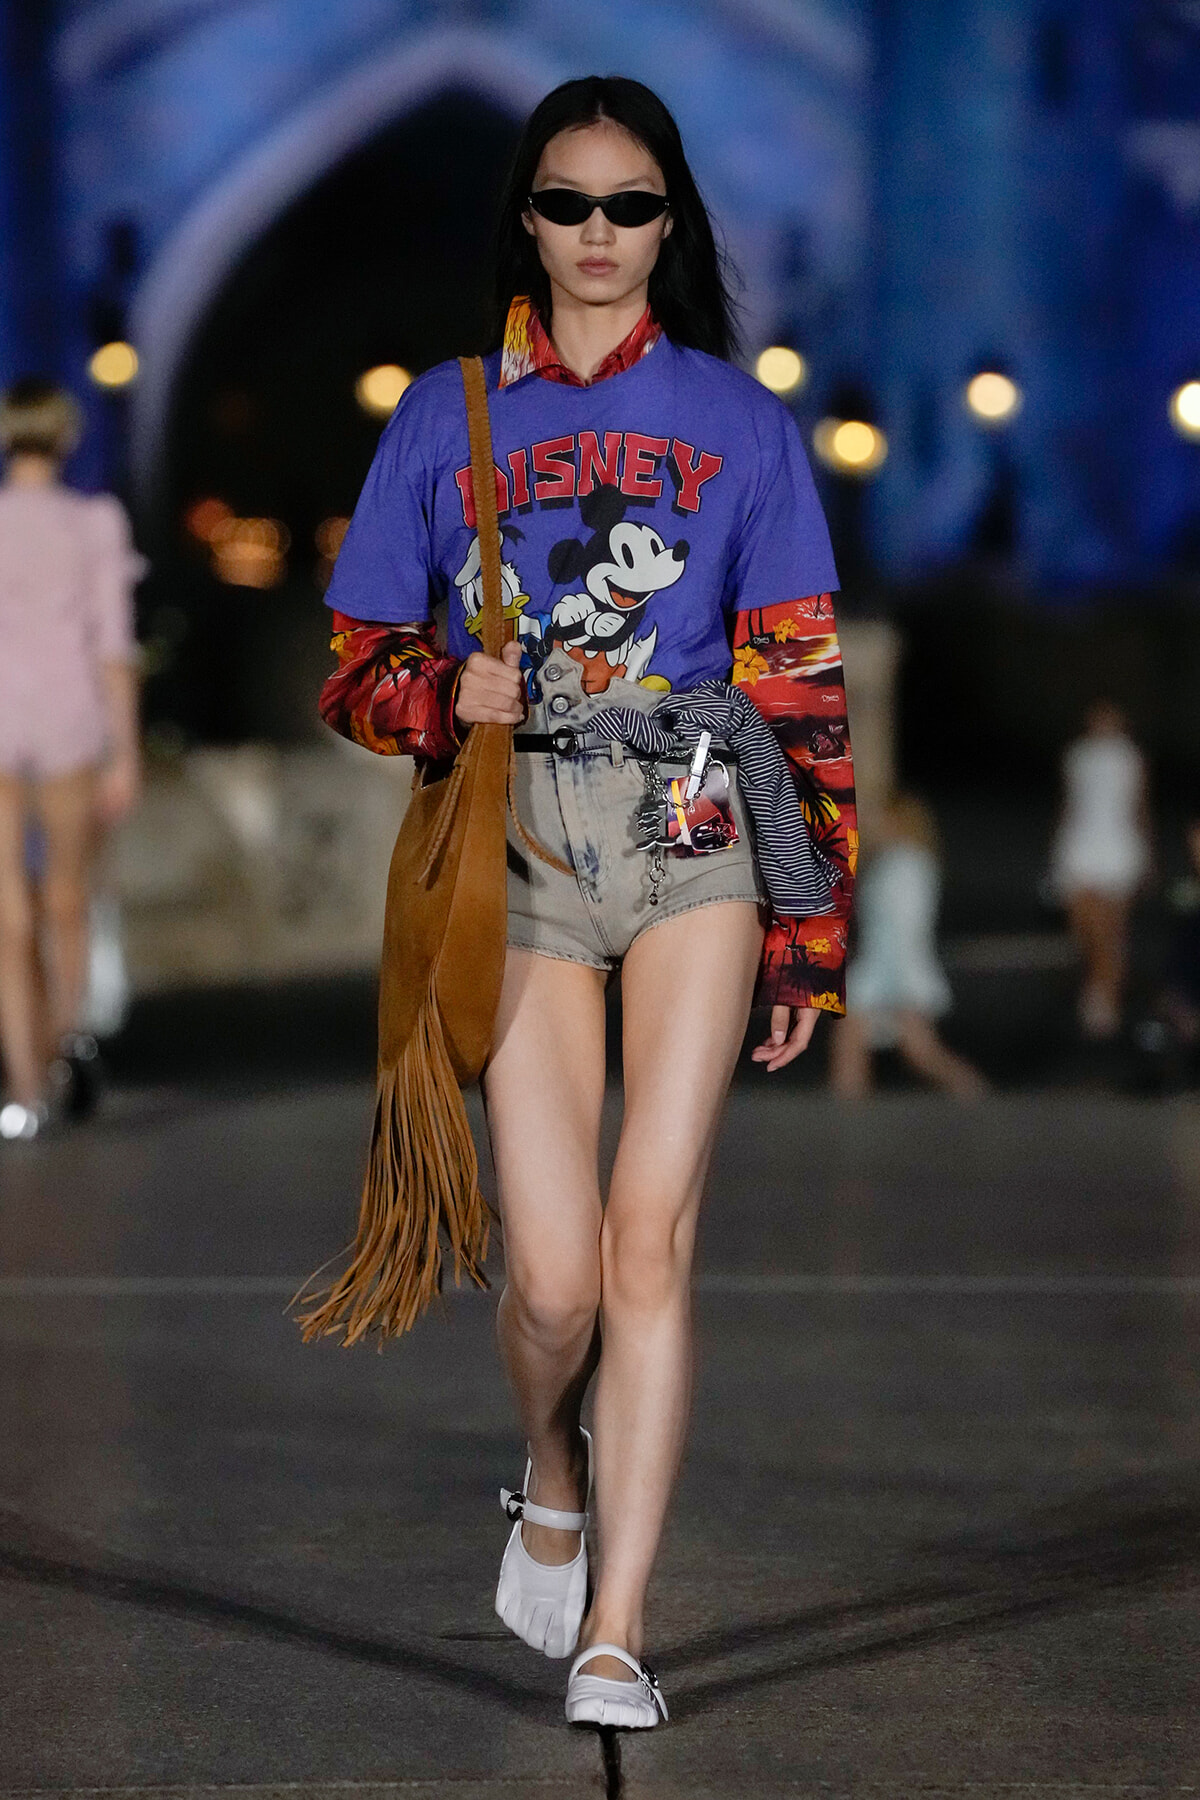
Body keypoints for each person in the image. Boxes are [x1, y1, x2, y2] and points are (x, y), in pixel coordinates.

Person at [318, 77, 857, 1729]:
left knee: (649, 1234)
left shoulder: (744, 424)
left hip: (693, 816)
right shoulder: (445, 414)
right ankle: (549, 1460)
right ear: (528, 222)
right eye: (570, 204)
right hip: (526, 841)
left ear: (670, 223)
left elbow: (801, 688)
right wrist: (440, 699)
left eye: (633, 206)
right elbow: (352, 672)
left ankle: (620, 1622)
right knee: (550, 1278)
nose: (602, 236)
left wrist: (807, 936)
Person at [0, 379, 142, 1140]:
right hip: (68, 719)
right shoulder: (93, 523)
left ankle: (22, 1091)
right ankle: (62, 1055)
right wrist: (126, 753)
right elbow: (113, 648)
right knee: (65, 899)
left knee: (7, 913)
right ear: (64, 439)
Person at [830, 792, 985, 1099]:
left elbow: (904, 928)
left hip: (894, 973)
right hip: (882, 971)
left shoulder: (907, 865)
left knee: (921, 1053)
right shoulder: (898, 863)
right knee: (855, 1047)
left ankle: (980, 1100)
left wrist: (894, 985)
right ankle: (847, 1126)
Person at [1050, 699, 1150, 1040]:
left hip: (1117, 845)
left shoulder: (1128, 756)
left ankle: (1107, 998)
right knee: (1083, 924)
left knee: (1111, 928)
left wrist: (1145, 852)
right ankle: (1097, 983)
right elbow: (1069, 800)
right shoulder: (1077, 754)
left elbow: (1139, 805)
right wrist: (1058, 846)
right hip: (1081, 843)